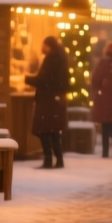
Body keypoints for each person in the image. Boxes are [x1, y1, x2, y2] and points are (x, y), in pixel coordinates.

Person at [27, 36, 70, 169]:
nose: (42, 48)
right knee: (53, 131)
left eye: (43, 45)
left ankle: (48, 159)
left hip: (47, 100)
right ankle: (59, 160)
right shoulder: (60, 57)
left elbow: (44, 79)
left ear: (48, 46)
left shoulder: (51, 58)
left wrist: (27, 79)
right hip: (55, 99)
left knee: (43, 130)